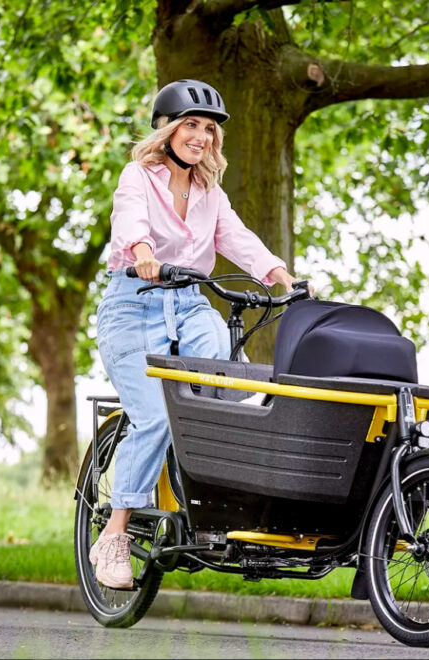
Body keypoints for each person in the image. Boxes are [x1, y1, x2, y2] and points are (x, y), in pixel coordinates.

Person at [91, 79, 304, 589]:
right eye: (192, 125)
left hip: (190, 305)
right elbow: (129, 221)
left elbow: (238, 240)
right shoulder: (137, 176)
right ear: (165, 130)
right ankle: (115, 533)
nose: (202, 136)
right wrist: (142, 253)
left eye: (209, 129)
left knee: (233, 387)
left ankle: (214, 503)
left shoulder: (211, 193)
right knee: (155, 415)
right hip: (133, 307)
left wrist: (281, 277)